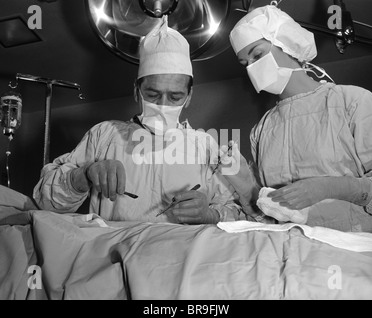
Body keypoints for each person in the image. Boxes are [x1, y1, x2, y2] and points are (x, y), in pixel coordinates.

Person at [33, 16, 246, 225]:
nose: (163, 105)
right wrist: (84, 175)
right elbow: (46, 202)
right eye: (153, 94)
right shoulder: (104, 135)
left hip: (182, 258)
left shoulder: (205, 147)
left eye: (175, 97)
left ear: (188, 97)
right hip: (113, 255)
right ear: (137, 92)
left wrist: (209, 215)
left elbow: (241, 212)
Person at [223, 4, 372, 232]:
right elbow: (266, 213)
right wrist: (245, 184)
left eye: (258, 55)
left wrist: (328, 188)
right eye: (246, 64)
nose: (252, 68)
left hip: (350, 249)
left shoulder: (352, 102)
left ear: (286, 42)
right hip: (288, 253)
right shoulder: (262, 129)